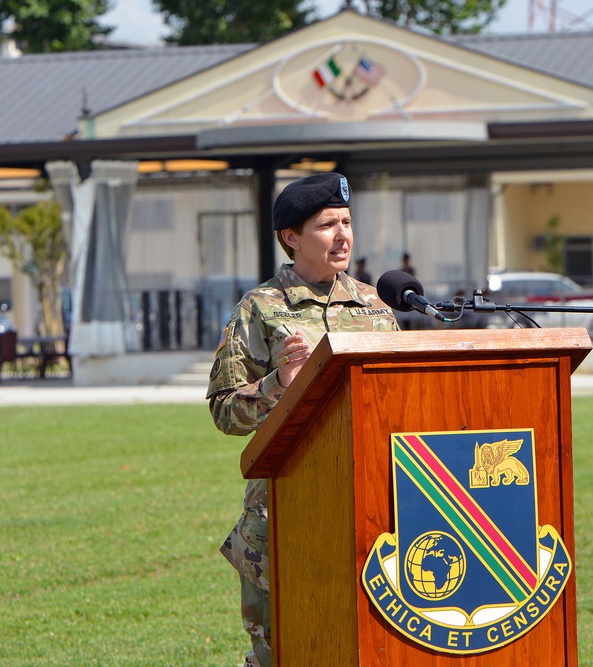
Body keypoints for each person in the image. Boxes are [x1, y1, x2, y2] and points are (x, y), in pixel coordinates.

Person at [206, 172, 398, 667]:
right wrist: (279, 384)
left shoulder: (376, 306)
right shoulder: (260, 309)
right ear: (291, 237)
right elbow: (225, 410)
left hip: (373, 508)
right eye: (326, 224)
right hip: (287, 512)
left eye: (347, 222)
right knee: (286, 652)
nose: (342, 235)